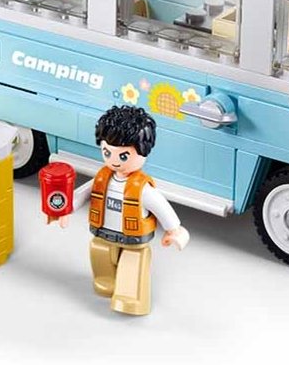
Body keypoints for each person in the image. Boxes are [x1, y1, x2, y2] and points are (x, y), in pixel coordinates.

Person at [51, 105, 189, 316]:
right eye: (107, 152)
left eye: (123, 156)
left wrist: (174, 230)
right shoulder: (102, 179)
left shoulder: (142, 189)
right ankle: (107, 283)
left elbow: (162, 207)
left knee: (132, 268)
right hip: (103, 234)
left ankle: (130, 299)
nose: (114, 160)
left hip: (133, 241)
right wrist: (65, 210)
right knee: (100, 256)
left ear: (143, 152)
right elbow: (81, 194)